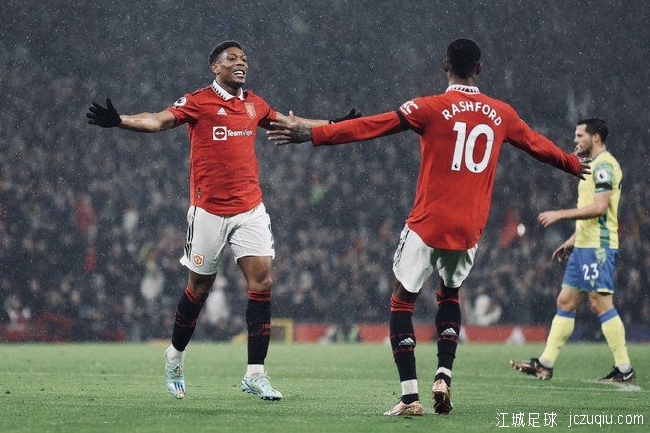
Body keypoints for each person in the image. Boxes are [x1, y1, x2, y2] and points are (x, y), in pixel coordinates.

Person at [268, 38, 590, 416]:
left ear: (444, 66)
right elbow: (536, 145)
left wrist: (314, 133)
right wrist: (571, 164)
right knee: (449, 295)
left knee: (401, 301)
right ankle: (443, 375)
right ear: (480, 70)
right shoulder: (501, 113)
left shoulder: (428, 107)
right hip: (468, 229)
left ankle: (410, 398)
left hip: (428, 222)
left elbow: (373, 126)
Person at [86, 40, 359, 401]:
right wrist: (121, 120)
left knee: (262, 283)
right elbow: (158, 120)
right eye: (232, 59)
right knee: (199, 289)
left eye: (244, 59)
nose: (241, 63)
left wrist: (335, 125)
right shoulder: (198, 101)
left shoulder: (255, 104)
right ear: (215, 67)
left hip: (250, 210)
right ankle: (175, 355)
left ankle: (255, 373)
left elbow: (293, 124)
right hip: (208, 213)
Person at [510, 118, 635, 383]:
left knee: (600, 303)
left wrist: (560, 215)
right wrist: (573, 238)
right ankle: (545, 364)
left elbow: (600, 208)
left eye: (580, 135)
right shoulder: (592, 165)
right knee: (565, 301)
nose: (576, 140)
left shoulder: (604, 166)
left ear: (596, 137)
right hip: (583, 244)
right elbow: (593, 208)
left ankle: (624, 368)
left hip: (598, 246)